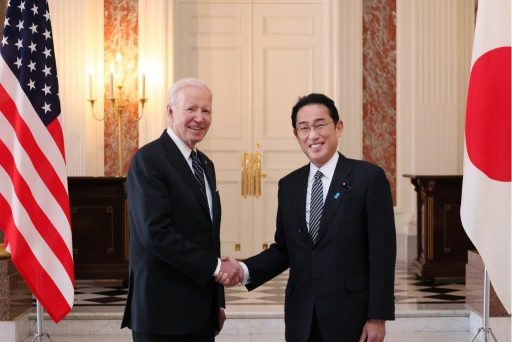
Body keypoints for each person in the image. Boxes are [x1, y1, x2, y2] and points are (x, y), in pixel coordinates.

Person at [218, 93, 396, 342]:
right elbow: (284, 250)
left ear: (338, 127)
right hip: (301, 317)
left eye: (320, 124)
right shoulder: (290, 185)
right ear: (296, 135)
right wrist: (243, 268)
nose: (313, 135)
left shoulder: (368, 178)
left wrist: (377, 317)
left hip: (350, 317)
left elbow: (382, 253)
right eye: (304, 128)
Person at [121, 78, 241, 342]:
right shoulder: (149, 160)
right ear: (170, 111)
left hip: (200, 313)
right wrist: (216, 266)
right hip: (162, 313)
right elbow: (155, 234)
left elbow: (210, 238)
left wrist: (217, 304)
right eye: (191, 109)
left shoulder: (205, 164)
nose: (200, 118)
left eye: (206, 110)